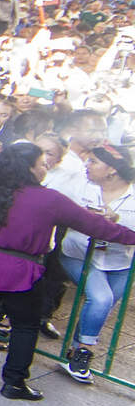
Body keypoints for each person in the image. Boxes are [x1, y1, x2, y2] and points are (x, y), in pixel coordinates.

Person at [0, 143, 135, 401]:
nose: (46, 167)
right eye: (42, 163)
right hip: (23, 271)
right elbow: (97, 226)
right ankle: (14, 383)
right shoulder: (49, 199)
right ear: (29, 168)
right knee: (25, 327)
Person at [57, 144, 135, 383]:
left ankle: (74, 349)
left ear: (112, 170)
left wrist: (117, 221)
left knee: (103, 304)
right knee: (100, 298)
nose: (86, 166)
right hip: (78, 253)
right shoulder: (79, 182)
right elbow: (54, 202)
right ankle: (83, 353)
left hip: (120, 260)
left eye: (93, 162)